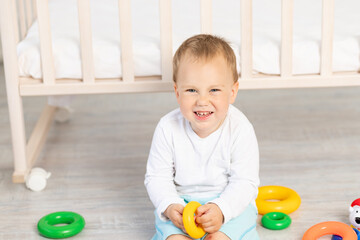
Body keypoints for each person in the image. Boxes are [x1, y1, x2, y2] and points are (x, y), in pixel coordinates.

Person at [144, 34, 260, 240]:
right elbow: (157, 177)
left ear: (232, 92)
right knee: (174, 238)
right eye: (191, 90)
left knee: (219, 238)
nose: (202, 101)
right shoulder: (167, 127)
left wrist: (221, 208)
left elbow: (245, 182)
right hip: (182, 204)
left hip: (230, 203)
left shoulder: (240, 128)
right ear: (177, 92)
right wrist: (171, 205)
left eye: (214, 90)